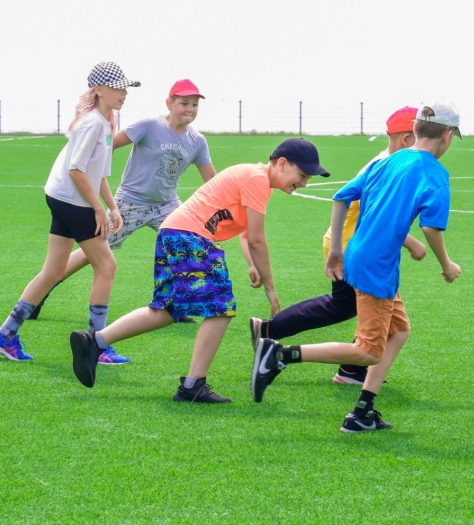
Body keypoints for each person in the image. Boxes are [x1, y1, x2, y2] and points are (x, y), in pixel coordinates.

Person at [251, 99, 463, 433]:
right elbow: (431, 228)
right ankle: (280, 355)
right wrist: (447, 265)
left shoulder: (386, 161)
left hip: (357, 255)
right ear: (448, 135)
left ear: (415, 128)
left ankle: (362, 411)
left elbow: (341, 197)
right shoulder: (435, 175)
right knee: (368, 352)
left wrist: (336, 249)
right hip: (377, 267)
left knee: (399, 331)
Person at [69, 138, 331, 403]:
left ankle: (94, 342)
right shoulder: (257, 179)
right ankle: (193, 385)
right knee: (220, 309)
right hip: (191, 237)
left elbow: (246, 235)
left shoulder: (254, 178)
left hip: (174, 232)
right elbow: (256, 240)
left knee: (168, 309)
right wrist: (270, 288)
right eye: (302, 175)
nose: (303, 183)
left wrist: (253, 265)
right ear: (282, 163)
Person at [27, 79, 217, 362]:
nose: (189, 109)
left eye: (194, 105)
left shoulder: (197, 141)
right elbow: (104, 148)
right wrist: (95, 185)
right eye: (183, 103)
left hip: (166, 205)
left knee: (187, 243)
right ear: (169, 103)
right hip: (130, 203)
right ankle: (44, 289)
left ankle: (176, 302)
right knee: (93, 253)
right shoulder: (148, 126)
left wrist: (223, 202)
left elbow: (211, 180)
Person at [248, 107, 427, 385]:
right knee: (347, 307)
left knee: (359, 309)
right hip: (352, 247)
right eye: (423, 138)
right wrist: (411, 242)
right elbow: (377, 217)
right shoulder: (387, 168)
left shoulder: (388, 163)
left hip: (353, 245)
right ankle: (275, 336)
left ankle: (350, 369)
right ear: (406, 139)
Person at [0, 61, 140, 363]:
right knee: (107, 266)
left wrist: (112, 206)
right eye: (118, 87)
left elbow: (98, 173)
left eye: (126, 88)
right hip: (72, 200)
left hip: (63, 197)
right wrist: (98, 209)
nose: (124, 93)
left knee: (54, 271)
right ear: (98, 90)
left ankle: (5, 335)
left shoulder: (106, 122)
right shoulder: (93, 123)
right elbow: (76, 170)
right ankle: (96, 345)